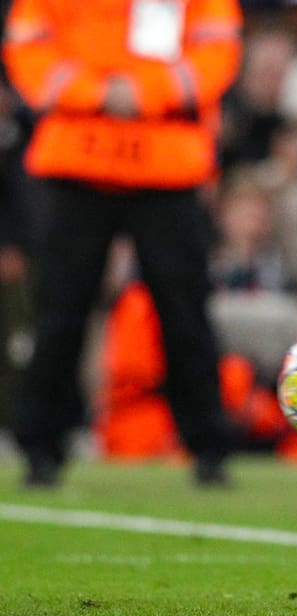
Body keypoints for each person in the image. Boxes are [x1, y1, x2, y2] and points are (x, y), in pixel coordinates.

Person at [2, 0, 243, 486]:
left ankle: (208, 445)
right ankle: (41, 445)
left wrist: (136, 93)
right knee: (58, 314)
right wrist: (103, 94)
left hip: (163, 165)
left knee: (184, 313)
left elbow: (216, 54)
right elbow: (26, 52)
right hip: (81, 164)